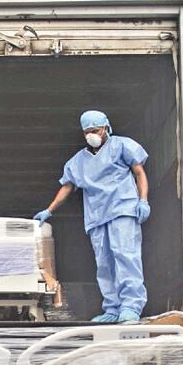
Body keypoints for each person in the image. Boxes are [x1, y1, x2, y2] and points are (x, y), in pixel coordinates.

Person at [33, 110, 149, 323]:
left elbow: (139, 172)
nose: (91, 135)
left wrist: (143, 200)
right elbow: (67, 187)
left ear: (106, 128)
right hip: (97, 216)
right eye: (87, 132)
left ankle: (131, 305)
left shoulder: (122, 146)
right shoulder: (78, 161)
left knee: (125, 256)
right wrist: (49, 210)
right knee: (104, 264)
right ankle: (112, 308)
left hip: (122, 209)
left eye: (94, 130)